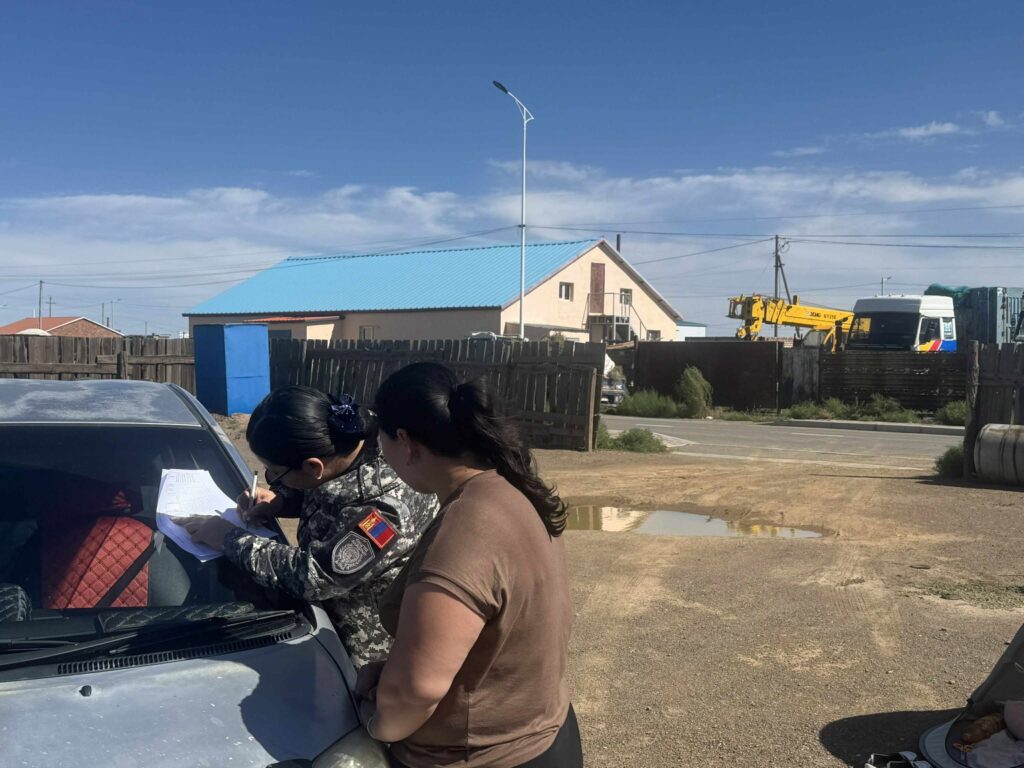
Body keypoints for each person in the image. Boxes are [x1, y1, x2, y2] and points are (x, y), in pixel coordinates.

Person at [357, 362, 583, 768]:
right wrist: (394, 669)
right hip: (544, 735)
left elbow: (417, 690)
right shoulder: (509, 487)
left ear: (406, 442)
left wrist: (375, 725)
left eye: (382, 441)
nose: (383, 455)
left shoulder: (465, 530)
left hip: (481, 755)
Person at [180, 385, 438, 669]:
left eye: (276, 473)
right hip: (319, 628)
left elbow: (317, 577)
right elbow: (327, 493)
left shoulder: (384, 510)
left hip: (359, 657)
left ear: (313, 467)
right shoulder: (342, 447)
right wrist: (281, 500)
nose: (271, 479)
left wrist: (228, 538)